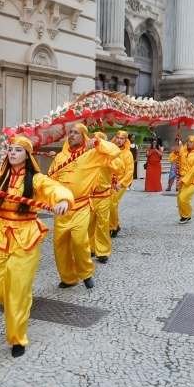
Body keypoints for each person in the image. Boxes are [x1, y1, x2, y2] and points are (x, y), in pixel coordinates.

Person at [0, 135, 72, 358]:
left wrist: (62, 200)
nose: (12, 153)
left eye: (18, 150)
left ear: (27, 155)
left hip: (25, 237)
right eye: (10, 149)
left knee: (17, 290)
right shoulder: (1, 178)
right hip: (0, 234)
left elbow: (54, 189)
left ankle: (17, 338)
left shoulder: (36, 180)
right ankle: (18, 303)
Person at [48, 123, 121, 289]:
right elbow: (51, 180)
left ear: (83, 136)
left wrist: (97, 142)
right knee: (60, 245)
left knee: (80, 241)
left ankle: (86, 273)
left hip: (81, 207)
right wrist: (52, 198)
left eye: (76, 133)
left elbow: (115, 151)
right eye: (70, 132)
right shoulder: (60, 157)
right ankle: (68, 278)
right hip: (62, 209)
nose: (71, 135)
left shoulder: (92, 154)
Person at [87, 132, 125, 263]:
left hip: (103, 195)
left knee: (102, 224)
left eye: (98, 141)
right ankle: (90, 248)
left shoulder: (110, 158)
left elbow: (120, 168)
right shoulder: (87, 156)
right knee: (89, 224)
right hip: (88, 196)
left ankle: (102, 251)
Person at [109, 131, 135, 238]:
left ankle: (113, 227)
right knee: (108, 204)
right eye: (118, 137)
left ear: (125, 140)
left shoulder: (128, 154)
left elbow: (130, 171)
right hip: (109, 182)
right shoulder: (110, 150)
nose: (119, 140)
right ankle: (115, 224)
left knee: (112, 203)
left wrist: (121, 183)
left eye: (122, 138)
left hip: (121, 183)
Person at [176, 135, 194, 224]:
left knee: (183, 198)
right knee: (179, 199)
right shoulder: (183, 152)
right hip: (182, 179)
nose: (188, 143)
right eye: (188, 141)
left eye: (191, 142)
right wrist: (176, 152)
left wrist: (183, 180)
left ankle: (187, 215)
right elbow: (173, 159)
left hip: (192, 181)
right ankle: (184, 215)